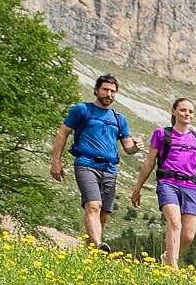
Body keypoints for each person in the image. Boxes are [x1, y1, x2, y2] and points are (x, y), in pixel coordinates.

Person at [51, 73, 140, 249]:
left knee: (104, 215)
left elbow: (128, 147)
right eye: (105, 90)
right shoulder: (82, 110)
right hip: (86, 164)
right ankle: (99, 247)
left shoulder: (119, 118)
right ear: (96, 90)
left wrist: (136, 147)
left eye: (113, 91)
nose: (109, 94)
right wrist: (56, 161)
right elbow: (63, 133)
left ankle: (90, 250)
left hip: (109, 169)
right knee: (93, 205)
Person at [130, 97, 196, 268]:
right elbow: (149, 163)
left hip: (191, 187)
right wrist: (137, 188)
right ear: (173, 111)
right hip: (168, 183)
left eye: (190, 111)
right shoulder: (161, 134)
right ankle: (173, 269)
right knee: (175, 223)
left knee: (188, 236)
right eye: (183, 110)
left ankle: (167, 257)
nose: (187, 114)